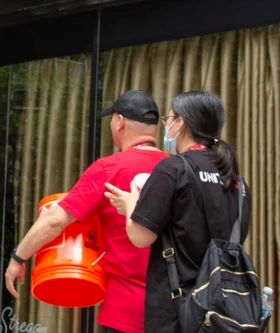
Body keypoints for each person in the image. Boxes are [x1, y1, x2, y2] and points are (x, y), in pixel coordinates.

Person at [4, 90, 168, 333]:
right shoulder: (176, 170)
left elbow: (55, 220)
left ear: (119, 121)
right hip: (172, 310)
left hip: (124, 312)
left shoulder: (109, 168)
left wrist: (18, 258)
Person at [105, 91, 252, 333]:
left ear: (180, 124)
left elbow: (140, 236)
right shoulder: (237, 181)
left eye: (168, 119)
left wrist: (132, 203)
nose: (167, 126)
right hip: (225, 310)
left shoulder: (173, 169)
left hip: (179, 310)